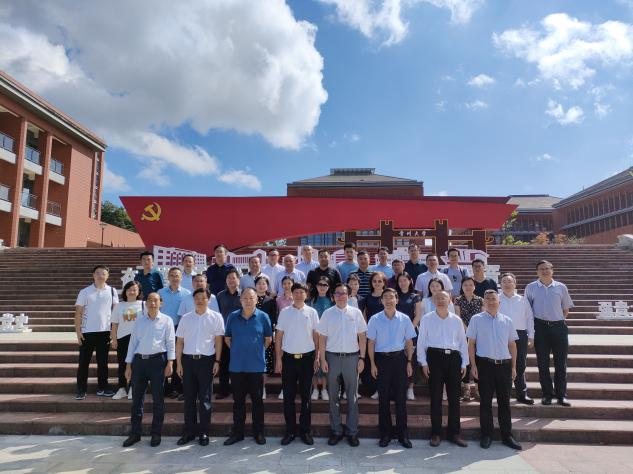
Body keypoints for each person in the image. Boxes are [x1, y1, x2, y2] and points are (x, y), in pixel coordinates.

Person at [467, 290, 522, 451]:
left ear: (499, 302)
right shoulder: (476, 319)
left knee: (505, 402)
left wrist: (513, 367)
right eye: (488, 299)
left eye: (494, 299)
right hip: (485, 365)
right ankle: (487, 435)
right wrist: (473, 366)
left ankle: (507, 435)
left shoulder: (507, 320)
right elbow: (471, 344)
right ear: (483, 302)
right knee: (485, 402)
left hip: (504, 366)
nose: (491, 301)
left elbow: (512, 345)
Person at [122, 292, 175, 448]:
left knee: (158, 400)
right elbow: (133, 343)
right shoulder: (139, 320)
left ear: (161, 303)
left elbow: (170, 342)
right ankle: (135, 433)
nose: (152, 303)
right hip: (139, 362)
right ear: (145, 303)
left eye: (155, 300)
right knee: (137, 400)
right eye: (150, 300)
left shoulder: (167, 320)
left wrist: (170, 362)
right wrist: (128, 365)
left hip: (158, 362)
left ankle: (156, 433)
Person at [417, 290, 469, 448]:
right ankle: (436, 433)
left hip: (453, 359)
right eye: (438, 298)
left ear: (449, 300)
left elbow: (463, 342)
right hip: (434, 358)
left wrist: (464, 363)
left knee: (454, 398)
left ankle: (455, 433)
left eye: (444, 298)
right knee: (435, 398)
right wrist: (423, 363)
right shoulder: (427, 319)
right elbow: (421, 341)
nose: (440, 301)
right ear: (434, 301)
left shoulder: (456, 320)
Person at [318, 283, 367, 447]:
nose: (340, 296)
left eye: (343, 293)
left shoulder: (356, 312)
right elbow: (322, 338)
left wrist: (362, 358)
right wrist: (323, 359)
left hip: (352, 358)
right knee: (333, 397)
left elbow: (362, 337)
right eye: (337, 293)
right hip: (332, 358)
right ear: (333, 296)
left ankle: (352, 432)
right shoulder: (327, 313)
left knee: (352, 397)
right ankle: (336, 431)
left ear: (349, 295)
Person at [223, 288, 273, 446]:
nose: (248, 301)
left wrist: (255, 351)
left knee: (257, 402)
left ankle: (259, 432)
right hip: (237, 366)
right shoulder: (232, 317)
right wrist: (239, 350)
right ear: (240, 300)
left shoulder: (263, 317)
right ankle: (238, 433)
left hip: (256, 367)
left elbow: (268, 339)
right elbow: (228, 339)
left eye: (251, 298)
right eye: (245, 298)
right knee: (238, 402)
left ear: (256, 299)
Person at [175, 288, 225, 446]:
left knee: (205, 399)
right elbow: (179, 342)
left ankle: (204, 432)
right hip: (188, 361)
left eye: (203, 298)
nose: (200, 300)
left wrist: (217, 361)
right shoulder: (186, 318)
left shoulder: (216, 317)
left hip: (206, 361)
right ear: (193, 300)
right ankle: (189, 432)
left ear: (209, 300)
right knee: (189, 398)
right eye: (197, 298)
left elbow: (218, 341)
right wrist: (178, 363)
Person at [367, 288, 416, 448]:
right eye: (385, 297)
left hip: (399, 359)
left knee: (401, 398)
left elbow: (409, 342)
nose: (388, 300)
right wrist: (372, 364)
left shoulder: (404, 319)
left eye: (391, 297)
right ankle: (385, 434)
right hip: (382, 360)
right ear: (381, 301)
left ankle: (403, 435)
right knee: (384, 399)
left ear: (397, 300)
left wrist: (409, 361)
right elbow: (371, 343)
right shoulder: (374, 319)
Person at [275, 283, 320, 446]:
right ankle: (290, 431)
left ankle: (305, 431)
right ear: (291, 294)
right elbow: (278, 336)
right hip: (288, 359)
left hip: (307, 359)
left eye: (302, 292)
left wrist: (317, 357)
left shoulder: (312, 312)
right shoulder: (285, 312)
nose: (299, 295)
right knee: (288, 397)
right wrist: (278, 359)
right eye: (296, 292)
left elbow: (316, 335)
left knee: (306, 397)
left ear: (306, 295)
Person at [524, 260, 574, 407]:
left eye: (547, 268)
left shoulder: (561, 287)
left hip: (559, 328)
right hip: (540, 328)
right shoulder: (531, 288)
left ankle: (561, 395)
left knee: (561, 364)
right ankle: (547, 395)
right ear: (537, 272)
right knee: (543, 364)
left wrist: (557, 320)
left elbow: (566, 309)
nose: (545, 271)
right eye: (541, 269)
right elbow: (527, 310)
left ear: (552, 270)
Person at [74, 265, 118, 400]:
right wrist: (78, 332)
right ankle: (81, 389)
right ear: (93, 275)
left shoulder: (112, 291)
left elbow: (115, 312)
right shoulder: (85, 292)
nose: (100, 276)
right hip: (87, 332)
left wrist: (113, 332)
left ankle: (103, 387)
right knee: (83, 362)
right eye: (98, 273)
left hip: (105, 332)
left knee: (103, 362)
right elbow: (78, 312)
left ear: (107, 276)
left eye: (103, 273)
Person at [499, 272, 535, 405]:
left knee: (520, 365)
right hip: (501, 334)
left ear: (515, 284)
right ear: (500, 284)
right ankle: (504, 394)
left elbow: (529, 318)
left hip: (520, 334)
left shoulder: (522, 300)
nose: (507, 284)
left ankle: (522, 394)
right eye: (504, 281)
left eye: (510, 281)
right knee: (503, 365)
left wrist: (531, 336)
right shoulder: (496, 299)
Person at [158, 267, 191, 399]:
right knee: (163, 356)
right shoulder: (160, 292)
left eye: (177, 275)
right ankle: (164, 386)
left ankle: (176, 387)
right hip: (163, 328)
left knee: (178, 357)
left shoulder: (187, 294)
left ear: (181, 278)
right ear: (168, 277)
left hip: (179, 328)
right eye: (172, 275)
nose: (174, 278)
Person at [110, 281, 143, 400]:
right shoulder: (119, 306)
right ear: (125, 291)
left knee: (137, 365)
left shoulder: (143, 305)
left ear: (139, 292)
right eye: (129, 289)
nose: (131, 292)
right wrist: (114, 339)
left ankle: (134, 388)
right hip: (123, 338)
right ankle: (122, 388)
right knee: (122, 364)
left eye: (134, 289)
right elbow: (114, 324)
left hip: (139, 339)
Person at [454, 277, 484, 401]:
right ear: (462, 287)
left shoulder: (480, 300)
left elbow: (482, 317)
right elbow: (458, 317)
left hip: (478, 334)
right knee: (465, 359)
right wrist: (467, 330)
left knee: (477, 360)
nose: (468, 287)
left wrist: (473, 331)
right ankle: (466, 388)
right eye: (465, 285)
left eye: (471, 284)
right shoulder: (458, 300)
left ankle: (477, 388)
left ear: (474, 286)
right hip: (463, 333)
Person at [359, 272, 387, 399]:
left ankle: (383, 389)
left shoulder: (388, 296)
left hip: (386, 333)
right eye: (374, 281)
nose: (377, 283)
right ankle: (375, 388)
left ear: (384, 283)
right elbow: (364, 315)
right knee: (373, 361)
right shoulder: (367, 298)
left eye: (380, 281)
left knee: (383, 362)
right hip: (372, 334)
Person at [395, 272, 423, 400]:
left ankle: (411, 388)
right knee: (399, 360)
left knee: (412, 360)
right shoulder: (395, 295)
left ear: (410, 281)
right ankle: (400, 387)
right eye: (400, 281)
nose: (402, 283)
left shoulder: (415, 297)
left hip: (411, 332)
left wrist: (408, 330)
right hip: (395, 332)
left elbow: (418, 315)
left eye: (405, 280)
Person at [216, 267, 242, 399]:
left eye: (234, 278)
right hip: (224, 334)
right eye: (229, 278)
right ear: (226, 280)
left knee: (239, 363)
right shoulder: (220, 296)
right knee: (224, 363)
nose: (231, 280)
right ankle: (223, 390)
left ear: (238, 279)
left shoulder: (244, 295)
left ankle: (240, 390)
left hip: (241, 335)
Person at [307, 276, 333, 401]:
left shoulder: (332, 300)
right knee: (314, 363)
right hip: (313, 335)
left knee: (325, 362)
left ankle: (324, 389)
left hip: (328, 336)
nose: (322, 287)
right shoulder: (310, 300)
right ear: (316, 286)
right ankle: (315, 389)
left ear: (328, 287)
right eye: (320, 285)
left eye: (325, 285)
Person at [254, 275, 278, 399]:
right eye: (259, 283)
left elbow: (273, 319)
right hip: (252, 335)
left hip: (266, 335)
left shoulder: (271, 301)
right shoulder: (250, 299)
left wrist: (271, 334)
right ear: (255, 285)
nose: (261, 286)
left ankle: (262, 388)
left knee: (264, 363)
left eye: (264, 284)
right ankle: (253, 387)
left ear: (267, 286)